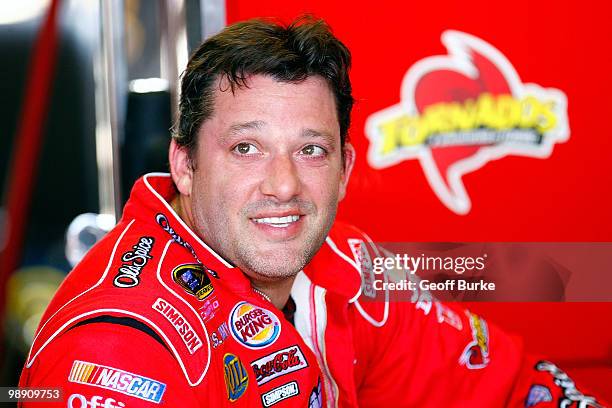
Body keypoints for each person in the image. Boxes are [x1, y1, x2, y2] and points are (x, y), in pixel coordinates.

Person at [20, 16, 605, 408]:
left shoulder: (345, 266)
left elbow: (507, 387)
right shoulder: (119, 347)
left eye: (311, 150)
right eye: (246, 148)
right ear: (185, 164)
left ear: (346, 169)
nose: (284, 185)